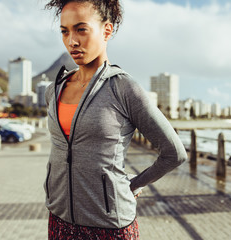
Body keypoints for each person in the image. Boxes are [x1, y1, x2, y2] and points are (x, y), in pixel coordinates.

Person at [43, 0, 188, 239]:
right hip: (59, 220)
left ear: (106, 31)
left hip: (109, 225)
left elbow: (174, 152)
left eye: (81, 29)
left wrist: (131, 185)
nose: (72, 41)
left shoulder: (123, 88)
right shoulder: (54, 89)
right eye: (64, 31)